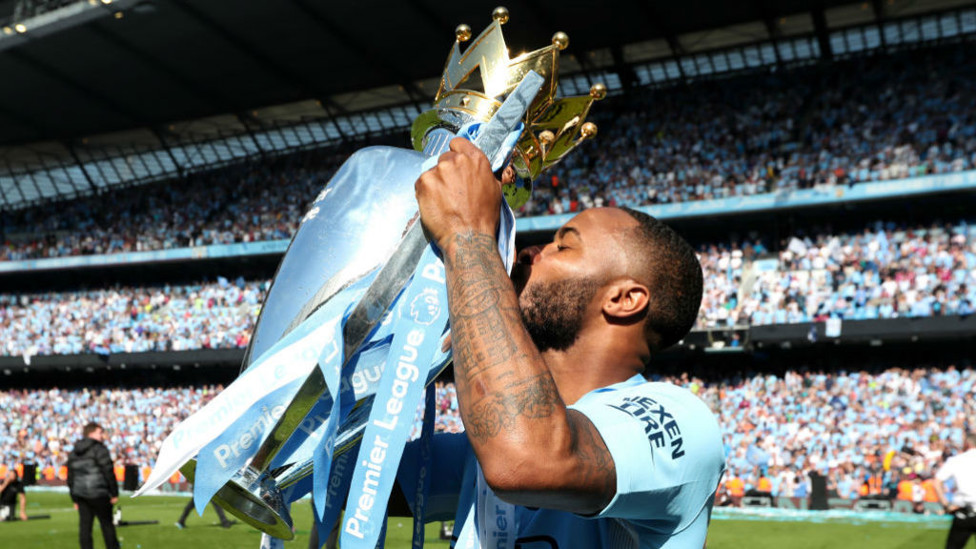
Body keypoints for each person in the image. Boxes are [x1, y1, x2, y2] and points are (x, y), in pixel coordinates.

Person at [396, 138, 726, 547]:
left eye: (563, 245)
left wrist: (469, 236)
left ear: (624, 300)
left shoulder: (686, 422)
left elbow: (524, 459)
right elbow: (351, 475)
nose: (531, 251)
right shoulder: (477, 447)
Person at [67, 422, 120, 549]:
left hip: (81, 494)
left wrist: (74, 497)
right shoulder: (99, 449)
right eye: (100, 432)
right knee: (107, 526)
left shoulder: (75, 451)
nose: (102, 436)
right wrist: (114, 492)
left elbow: (71, 477)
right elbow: (108, 471)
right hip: (99, 492)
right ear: (91, 433)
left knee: (85, 528)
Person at [934, 433, 976, 549]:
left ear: (967, 444)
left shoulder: (957, 460)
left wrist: (946, 504)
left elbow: (937, 482)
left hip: (964, 513)